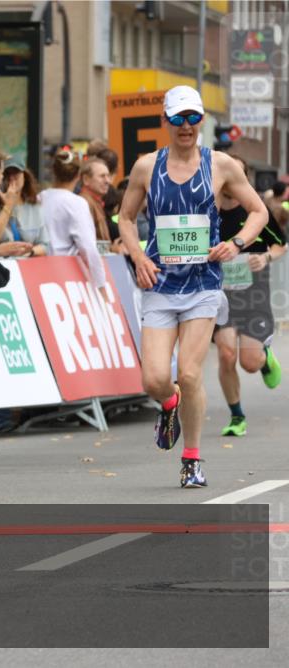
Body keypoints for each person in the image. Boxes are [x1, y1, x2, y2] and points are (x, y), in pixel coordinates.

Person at [117, 85, 269, 488]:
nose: (186, 126)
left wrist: (236, 243)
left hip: (203, 285)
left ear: (201, 120)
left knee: (188, 372)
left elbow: (259, 211)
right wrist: (139, 256)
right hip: (161, 284)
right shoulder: (147, 167)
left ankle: (192, 460)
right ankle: (169, 405)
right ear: (165, 121)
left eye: (193, 118)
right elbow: (126, 219)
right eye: (178, 118)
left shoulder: (221, 165)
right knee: (153, 379)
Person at [211, 155, 285, 437]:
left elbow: (280, 245)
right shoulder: (209, 210)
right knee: (227, 354)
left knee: (249, 362)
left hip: (252, 294)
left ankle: (264, 358)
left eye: (237, 174)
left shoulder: (255, 210)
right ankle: (237, 416)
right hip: (220, 295)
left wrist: (265, 257)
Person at [42, 149, 110, 300]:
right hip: (67, 276)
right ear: (79, 176)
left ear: (53, 171)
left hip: (39, 273)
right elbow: (88, 247)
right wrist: (101, 285)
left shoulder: (39, 198)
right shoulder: (77, 203)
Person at [0, 157, 49, 255]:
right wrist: (8, 206)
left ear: (24, 176)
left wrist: (29, 252)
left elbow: (45, 245)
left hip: (25, 264)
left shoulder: (33, 204)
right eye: (7, 174)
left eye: (16, 173)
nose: (11, 178)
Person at [78, 157, 118, 248]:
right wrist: (113, 249)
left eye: (108, 176)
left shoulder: (94, 202)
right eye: (102, 176)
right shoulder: (84, 203)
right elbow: (86, 244)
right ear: (86, 179)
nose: (107, 181)